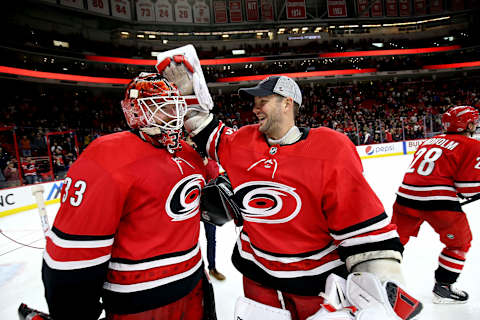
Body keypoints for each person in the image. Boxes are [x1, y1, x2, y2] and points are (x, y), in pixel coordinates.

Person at [158, 54, 422, 320]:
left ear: (287, 104)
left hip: (318, 286)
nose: (255, 108)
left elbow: (364, 228)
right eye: (254, 102)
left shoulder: (331, 148)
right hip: (258, 281)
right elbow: (203, 128)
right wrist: (187, 91)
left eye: (263, 101)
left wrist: (382, 281)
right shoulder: (241, 141)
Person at [42, 73, 216, 320]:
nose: (174, 115)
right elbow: (74, 254)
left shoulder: (189, 153)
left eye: (175, 106)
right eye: (162, 107)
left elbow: (208, 209)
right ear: (136, 111)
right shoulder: (106, 155)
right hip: (140, 302)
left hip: (193, 287)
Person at [392, 105, 480, 304]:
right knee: (459, 244)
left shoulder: (429, 141)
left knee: (395, 241)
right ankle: (444, 286)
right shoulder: (472, 145)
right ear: (469, 123)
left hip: (405, 196)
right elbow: (468, 188)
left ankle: (375, 280)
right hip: (437, 202)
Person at [203, 158, 226, 281]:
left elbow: (216, 178)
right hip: (193, 204)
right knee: (190, 239)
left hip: (209, 206)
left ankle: (212, 268)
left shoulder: (213, 159)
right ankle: (195, 269)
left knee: (211, 238)